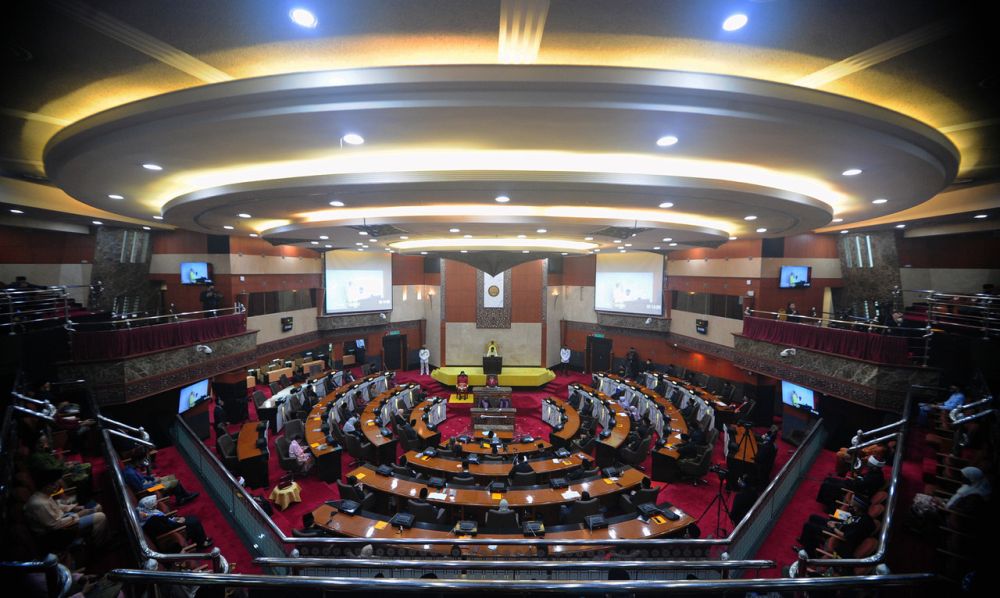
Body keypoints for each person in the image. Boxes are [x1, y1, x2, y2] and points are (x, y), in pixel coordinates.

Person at [24, 470, 107, 545]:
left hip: (64, 519)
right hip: (56, 534)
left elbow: (56, 506)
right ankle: (98, 545)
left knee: (98, 507)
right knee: (101, 517)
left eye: (55, 483)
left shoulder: (43, 495)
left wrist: (73, 508)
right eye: (53, 484)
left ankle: (97, 537)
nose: (56, 486)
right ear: (45, 486)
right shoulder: (39, 504)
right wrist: (78, 515)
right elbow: (55, 526)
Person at [136, 495, 212, 550]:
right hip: (170, 532)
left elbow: (165, 520)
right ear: (150, 506)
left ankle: (202, 539)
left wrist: (175, 519)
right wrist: (179, 522)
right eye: (154, 503)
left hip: (170, 525)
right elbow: (166, 527)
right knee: (194, 521)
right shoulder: (152, 519)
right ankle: (201, 543)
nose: (156, 504)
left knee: (191, 518)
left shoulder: (148, 513)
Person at [122, 459, 199, 505]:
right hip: (150, 489)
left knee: (172, 477)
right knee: (175, 482)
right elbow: (141, 489)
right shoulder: (130, 474)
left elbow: (143, 477)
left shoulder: (131, 468)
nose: (141, 465)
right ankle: (181, 499)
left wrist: (152, 478)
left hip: (149, 484)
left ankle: (183, 496)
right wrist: (154, 482)